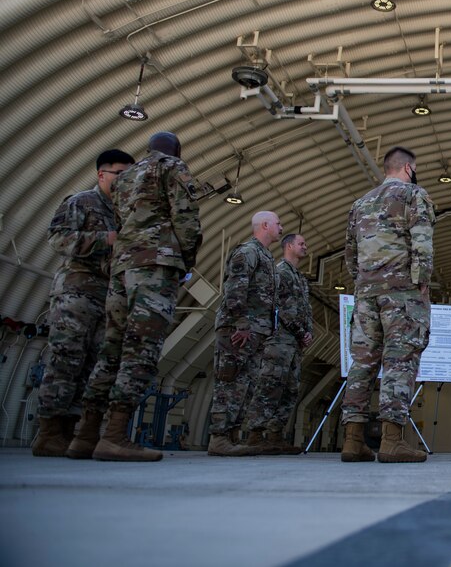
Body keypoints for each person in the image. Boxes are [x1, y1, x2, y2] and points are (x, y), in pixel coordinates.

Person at [70, 132, 202, 462]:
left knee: (111, 349)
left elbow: (119, 221)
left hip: (121, 269)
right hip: (154, 267)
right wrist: (185, 260)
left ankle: (84, 436)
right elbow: (185, 219)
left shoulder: (126, 177)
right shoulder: (172, 167)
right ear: (176, 150)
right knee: (140, 349)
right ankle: (114, 436)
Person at [32, 149, 134, 457]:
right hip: (76, 294)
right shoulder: (81, 202)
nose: (126, 180)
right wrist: (106, 239)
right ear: (102, 174)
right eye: (121, 174)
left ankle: (71, 431)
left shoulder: (124, 212)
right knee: (65, 360)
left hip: (107, 297)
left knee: (92, 366)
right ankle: (48, 432)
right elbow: (58, 239)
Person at [341, 146, 434, 463]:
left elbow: (350, 256)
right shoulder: (413, 194)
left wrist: (364, 282)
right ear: (409, 168)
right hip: (401, 294)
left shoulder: (359, 204)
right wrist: (421, 283)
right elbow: (422, 242)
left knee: (362, 363)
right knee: (399, 360)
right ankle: (392, 441)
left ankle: (353, 441)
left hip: (366, 293)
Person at [207, 211, 282, 457]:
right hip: (239, 330)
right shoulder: (248, 252)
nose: (281, 228)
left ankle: (231, 435)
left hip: (256, 331)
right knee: (229, 382)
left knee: (244, 385)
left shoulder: (266, 256)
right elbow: (235, 287)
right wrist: (240, 322)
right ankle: (219, 437)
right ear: (265, 225)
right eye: (278, 224)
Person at [242, 232, 314, 456]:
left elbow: (304, 309)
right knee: (270, 385)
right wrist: (301, 332)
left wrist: (307, 333)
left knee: (290, 388)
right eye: (301, 243)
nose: (305, 247)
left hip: (293, 343)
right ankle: (255, 434)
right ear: (289, 246)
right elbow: (281, 307)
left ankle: (275, 435)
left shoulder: (299, 277)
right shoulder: (281, 272)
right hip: (279, 340)